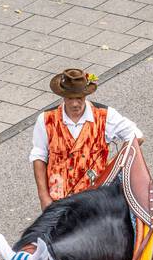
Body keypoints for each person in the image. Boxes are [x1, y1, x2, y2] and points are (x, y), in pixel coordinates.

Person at [30, 68, 143, 209]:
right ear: (63, 96)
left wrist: (113, 165)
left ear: (86, 95)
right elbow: (39, 157)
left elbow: (136, 136)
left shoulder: (104, 115)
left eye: (79, 98)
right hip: (58, 200)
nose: (75, 103)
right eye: (70, 98)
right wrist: (43, 197)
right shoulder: (46, 119)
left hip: (95, 198)